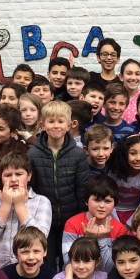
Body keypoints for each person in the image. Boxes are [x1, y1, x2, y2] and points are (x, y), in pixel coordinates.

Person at [28, 101, 90, 269]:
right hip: (43, 220)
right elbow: (31, 190)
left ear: (69, 125)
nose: (56, 126)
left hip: (70, 219)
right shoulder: (33, 154)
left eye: (61, 121)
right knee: (46, 262)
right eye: (51, 121)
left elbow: (82, 189)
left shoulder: (78, 154)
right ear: (43, 125)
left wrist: (82, 218)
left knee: (69, 260)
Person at [0, 153, 53, 268]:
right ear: (1, 177)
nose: (13, 179)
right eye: (8, 175)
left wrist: (19, 206)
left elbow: (40, 238)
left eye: (19, 174)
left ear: (29, 176)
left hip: (28, 268)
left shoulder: (41, 201)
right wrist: (6, 206)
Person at [62, 176, 129, 269]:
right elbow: (67, 260)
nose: (102, 206)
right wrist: (88, 239)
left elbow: (113, 267)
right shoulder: (72, 223)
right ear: (86, 201)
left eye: (107, 201)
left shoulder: (120, 229)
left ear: (114, 204)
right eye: (97, 200)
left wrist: (102, 239)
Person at [107, 134, 140, 224]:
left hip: (136, 214)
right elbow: (108, 200)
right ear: (124, 154)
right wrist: (117, 223)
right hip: (112, 212)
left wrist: (129, 224)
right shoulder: (114, 172)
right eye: (133, 153)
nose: (138, 158)